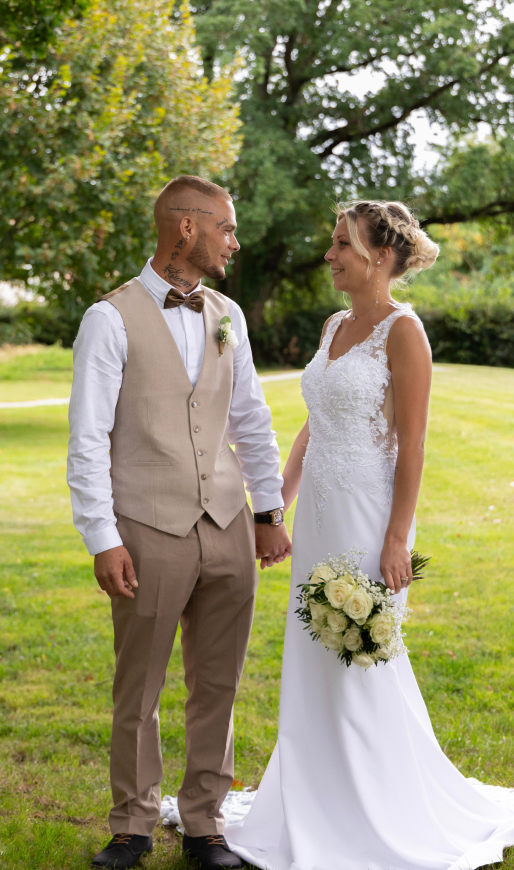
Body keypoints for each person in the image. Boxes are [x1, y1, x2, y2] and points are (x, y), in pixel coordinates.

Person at [221, 200, 514, 869]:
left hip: (365, 520)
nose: (329, 256)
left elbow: (413, 445)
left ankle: (376, 810)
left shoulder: (404, 333)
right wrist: (275, 506)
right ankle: (312, 798)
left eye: (340, 244)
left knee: (358, 660)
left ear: (379, 256)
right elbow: (312, 424)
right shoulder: (333, 325)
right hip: (318, 516)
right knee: (311, 656)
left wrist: (395, 539)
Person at [67, 175, 292, 870]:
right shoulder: (109, 318)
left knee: (217, 682)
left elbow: (251, 417)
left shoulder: (229, 313)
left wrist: (266, 509)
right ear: (185, 228)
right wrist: (102, 537)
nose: (235, 240)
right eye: (225, 227)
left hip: (226, 520)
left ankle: (204, 824)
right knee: (140, 685)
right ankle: (132, 825)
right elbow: (87, 438)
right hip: (146, 525)